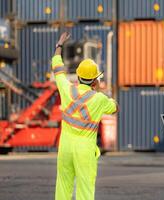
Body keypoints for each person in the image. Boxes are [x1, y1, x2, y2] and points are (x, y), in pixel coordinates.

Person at [52, 32, 118, 200]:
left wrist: (59, 45)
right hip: (84, 150)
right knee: (85, 188)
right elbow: (115, 108)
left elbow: (57, 66)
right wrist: (100, 90)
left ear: (79, 76)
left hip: (65, 147)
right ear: (95, 81)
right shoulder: (99, 99)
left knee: (63, 185)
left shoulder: (66, 88)